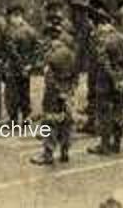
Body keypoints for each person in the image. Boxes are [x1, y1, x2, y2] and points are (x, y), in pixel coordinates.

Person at [31, 25, 76, 165]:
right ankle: (65, 151)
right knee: (66, 122)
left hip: (53, 95)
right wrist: (68, 92)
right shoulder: (71, 54)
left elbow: (49, 77)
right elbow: (75, 76)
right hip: (68, 92)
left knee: (49, 123)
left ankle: (48, 153)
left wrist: (57, 92)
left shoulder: (52, 55)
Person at [88, 23, 123, 155]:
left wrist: (114, 78)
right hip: (121, 81)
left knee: (104, 114)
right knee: (118, 111)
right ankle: (117, 143)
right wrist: (122, 79)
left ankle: (105, 145)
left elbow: (103, 62)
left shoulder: (104, 41)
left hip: (105, 82)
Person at [3, 5, 40, 126]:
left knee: (12, 94)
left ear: (14, 16)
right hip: (26, 68)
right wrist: (30, 64)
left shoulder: (10, 31)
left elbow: (11, 51)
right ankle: (26, 118)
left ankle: (13, 120)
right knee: (24, 92)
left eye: (11, 16)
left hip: (14, 68)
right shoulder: (31, 30)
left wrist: (21, 65)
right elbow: (37, 49)